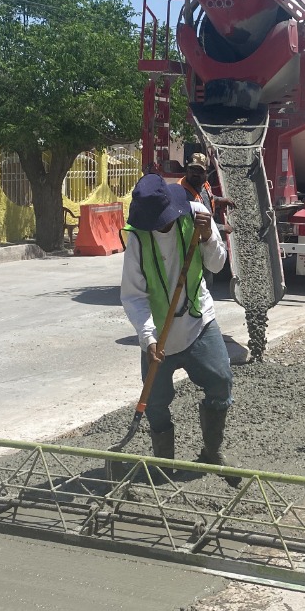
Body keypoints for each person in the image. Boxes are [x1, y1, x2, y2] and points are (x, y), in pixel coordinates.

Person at [121, 174, 235, 468]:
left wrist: (209, 237)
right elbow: (133, 296)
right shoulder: (138, 236)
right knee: (155, 403)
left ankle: (211, 451)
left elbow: (217, 264)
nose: (161, 225)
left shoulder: (197, 215)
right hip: (159, 335)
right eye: (155, 222)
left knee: (221, 381)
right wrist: (148, 337)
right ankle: (165, 463)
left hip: (198, 321)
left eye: (164, 219)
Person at [181, 152, 235, 216]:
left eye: (200, 170)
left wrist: (221, 200)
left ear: (206, 172)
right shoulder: (182, 192)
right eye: (192, 169)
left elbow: (208, 199)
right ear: (187, 170)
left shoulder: (204, 184)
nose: (195, 173)